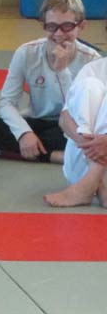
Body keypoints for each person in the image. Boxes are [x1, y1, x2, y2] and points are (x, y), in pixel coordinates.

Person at [0, 0, 99, 163]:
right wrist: (24, 133)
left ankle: (24, 152)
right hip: (36, 121)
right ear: (44, 26)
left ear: (81, 26)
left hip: (70, 126)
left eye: (67, 26)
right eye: (52, 26)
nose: (59, 34)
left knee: (86, 136)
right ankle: (55, 155)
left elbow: (80, 112)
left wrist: (62, 71)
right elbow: (6, 102)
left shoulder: (91, 60)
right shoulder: (27, 53)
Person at [42, 46, 107, 208]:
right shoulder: (93, 69)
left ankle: (93, 182)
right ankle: (95, 178)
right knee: (89, 85)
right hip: (82, 163)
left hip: (89, 166)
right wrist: (91, 146)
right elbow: (64, 120)